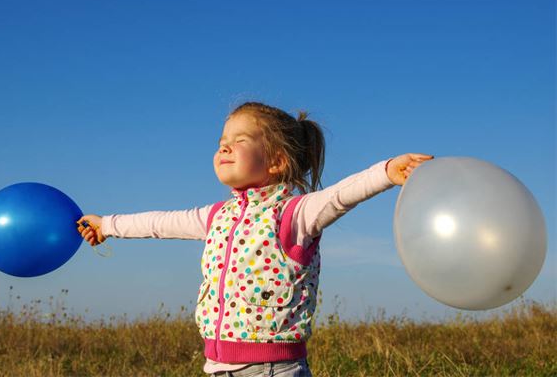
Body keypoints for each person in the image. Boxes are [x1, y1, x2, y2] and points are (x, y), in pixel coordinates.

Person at [77, 102, 433, 377]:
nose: (224, 149)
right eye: (222, 143)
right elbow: (159, 222)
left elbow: (341, 195)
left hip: (273, 369)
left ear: (276, 161)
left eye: (239, 142)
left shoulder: (296, 214)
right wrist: (107, 225)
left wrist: (386, 172)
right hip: (216, 365)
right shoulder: (217, 216)